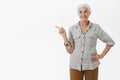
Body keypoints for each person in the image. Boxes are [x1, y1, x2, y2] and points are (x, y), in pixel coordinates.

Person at [55, 3, 115, 80]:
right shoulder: (72, 29)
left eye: (85, 11)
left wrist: (101, 55)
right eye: (80, 12)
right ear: (78, 14)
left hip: (92, 65)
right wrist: (64, 36)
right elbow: (70, 51)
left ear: (89, 13)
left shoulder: (96, 28)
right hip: (75, 65)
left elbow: (110, 42)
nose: (83, 14)